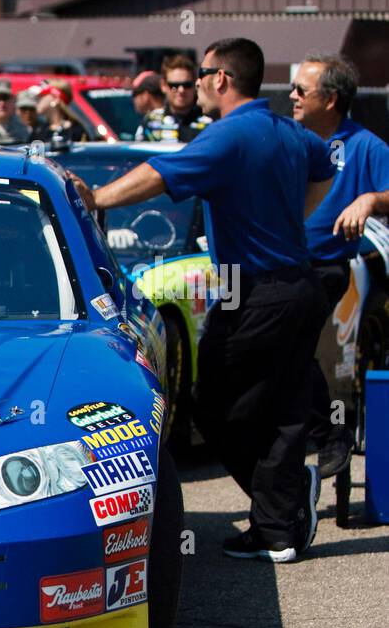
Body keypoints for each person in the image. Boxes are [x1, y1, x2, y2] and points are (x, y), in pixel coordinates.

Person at [71, 38, 335, 563]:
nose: (193, 86)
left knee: (212, 403)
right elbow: (325, 170)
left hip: (256, 289)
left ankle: (279, 512)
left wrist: (96, 199)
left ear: (221, 79)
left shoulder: (228, 136)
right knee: (282, 406)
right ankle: (278, 528)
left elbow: (157, 175)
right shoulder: (288, 130)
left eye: (200, 75)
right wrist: (287, 223)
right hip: (296, 283)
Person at [290, 52, 389, 477]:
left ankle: (333, 431)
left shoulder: (367, 146)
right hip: (278, 264)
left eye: (301, 90)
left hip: (326, 267)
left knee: (291, 347)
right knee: (272, 352)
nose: (291, 97)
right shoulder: (288, 139)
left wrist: (369, 199)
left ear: (330, 99)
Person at [136, 55, 213, 142]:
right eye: (174, 85)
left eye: (186, 85)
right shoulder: (150, 121)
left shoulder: (210, 122)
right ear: (163, 85)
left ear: (195, 84)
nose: (181, 90)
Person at [30, 80, 88, 145]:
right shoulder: (38, 131)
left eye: (42, 96)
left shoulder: (76, 131)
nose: (37, 100)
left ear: (56, 99)